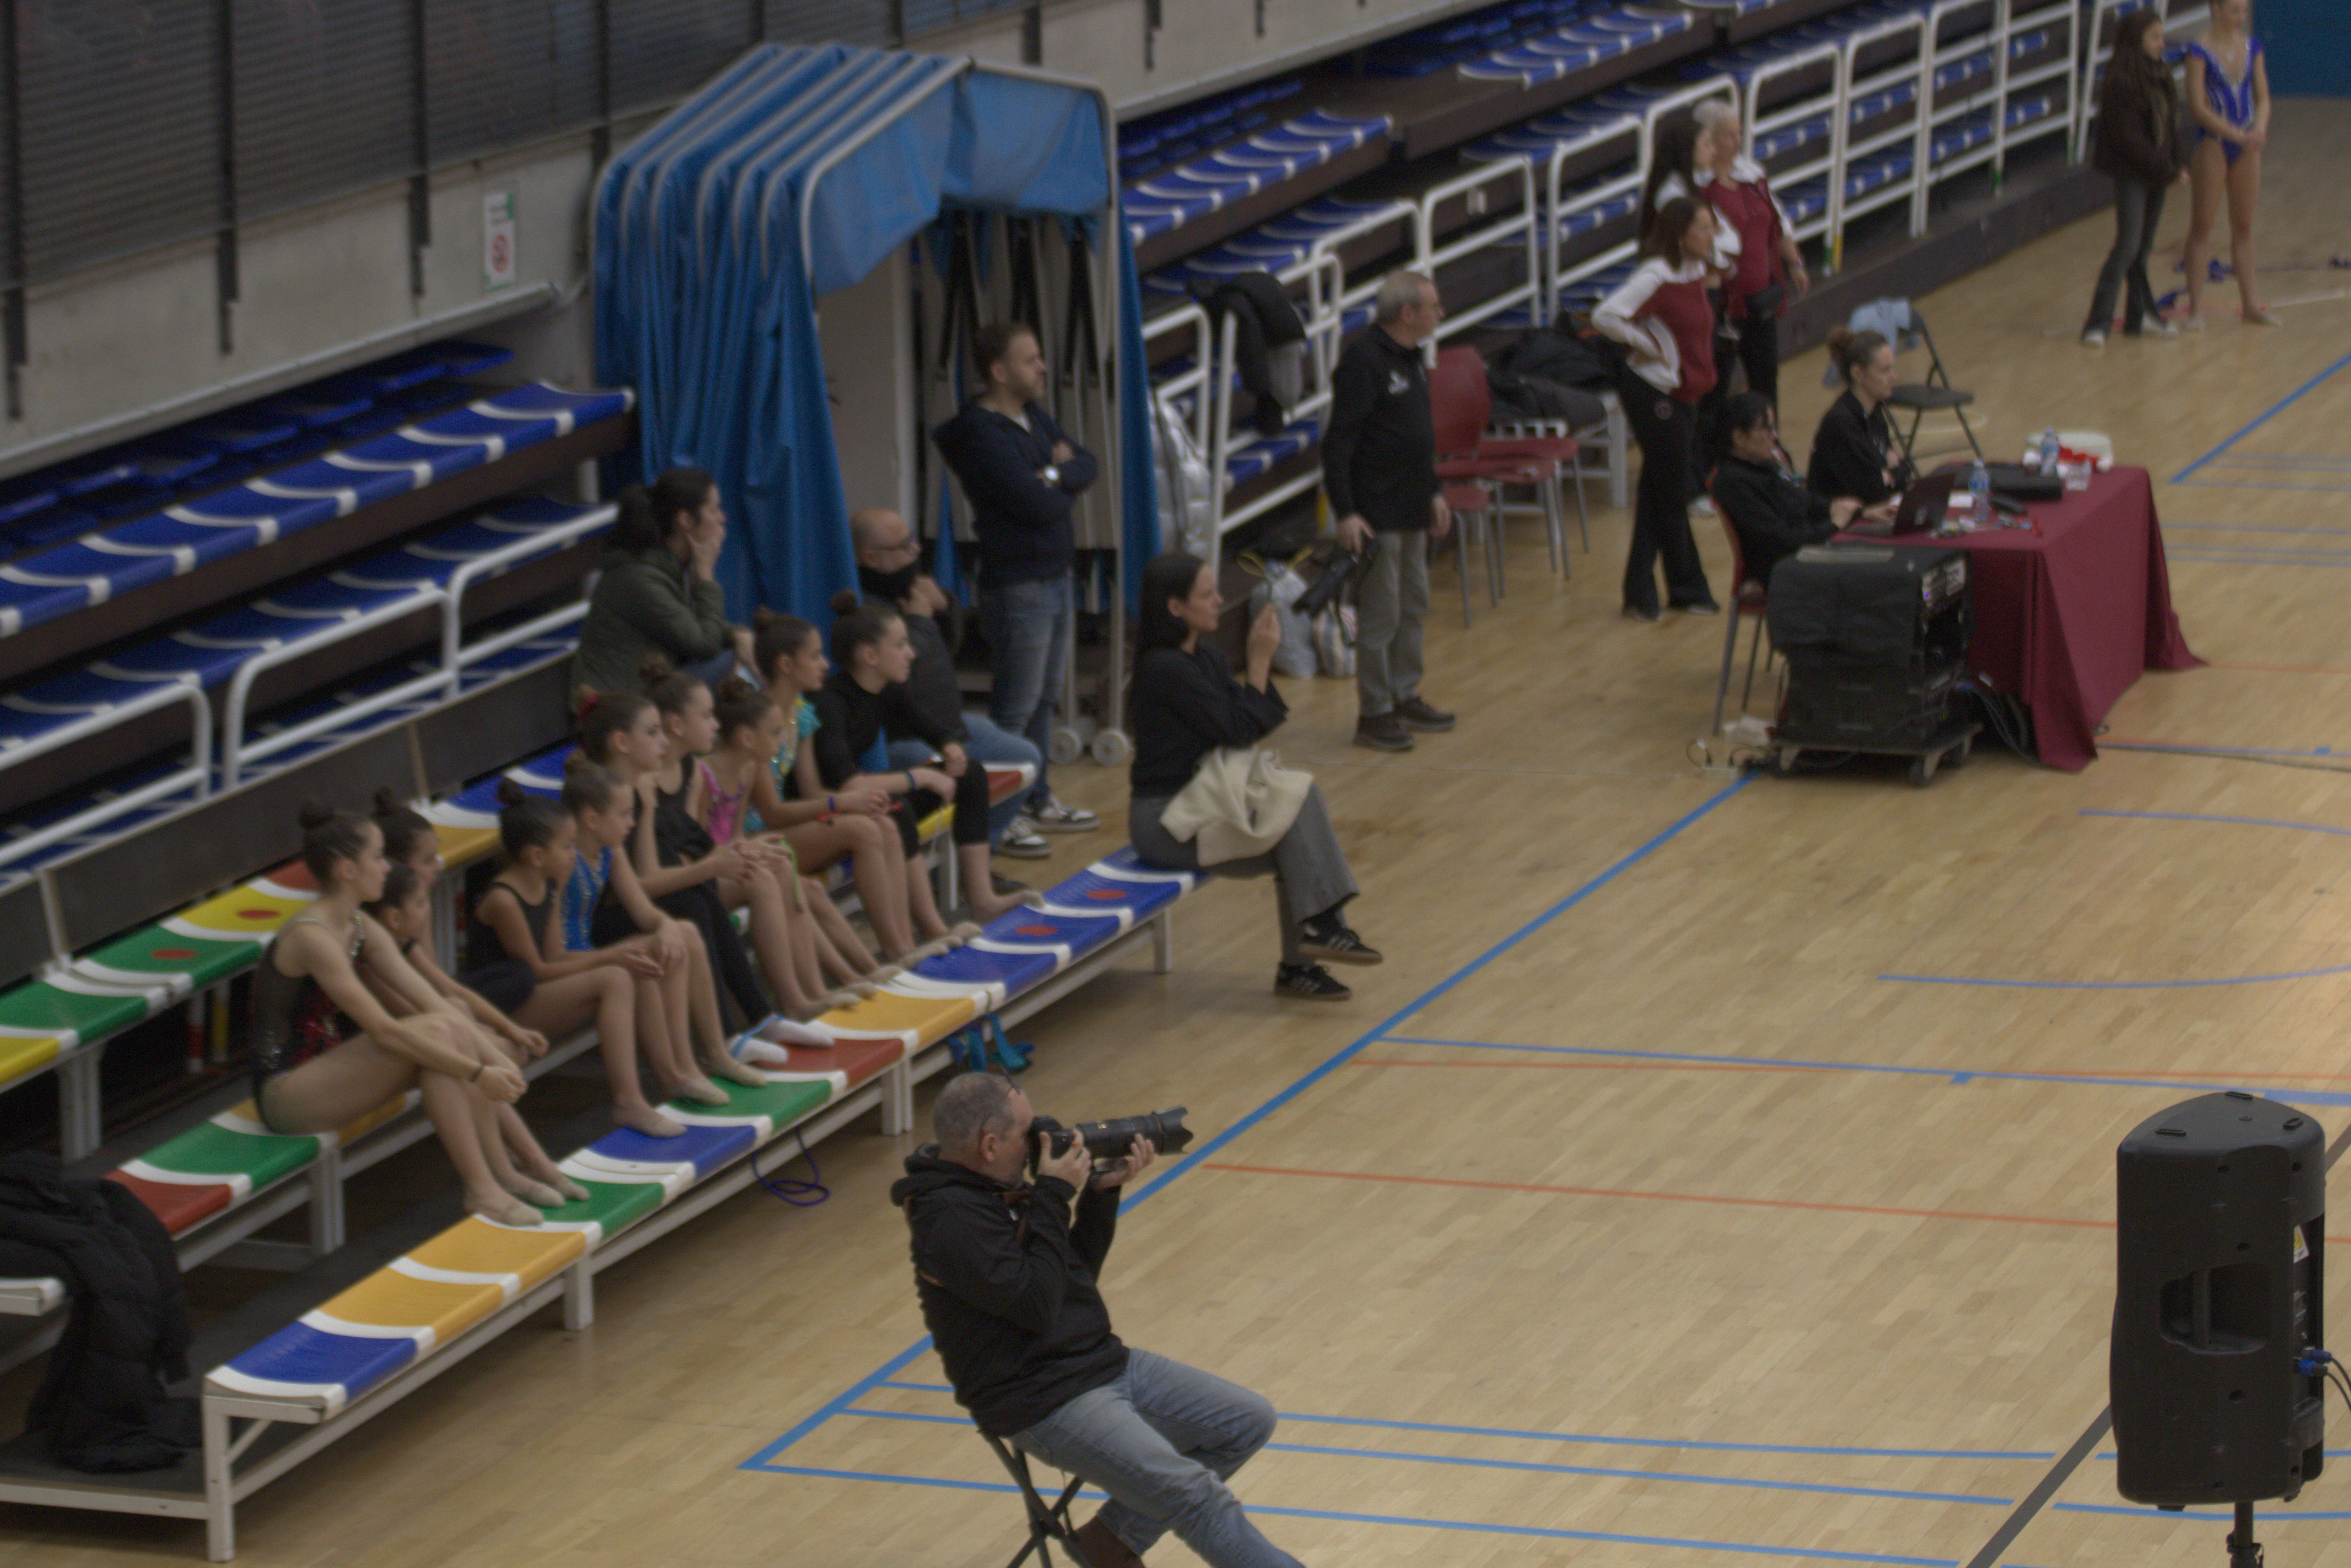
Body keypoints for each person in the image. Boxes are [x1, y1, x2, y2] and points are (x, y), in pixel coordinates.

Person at [891, 1070, 1303, 1568]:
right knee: (1193, 1495)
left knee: (1246, 1421)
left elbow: (1071, 1278)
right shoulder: (950, 1219)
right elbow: (1036, 1306)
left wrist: (1100, 1194)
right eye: (1027, 1133)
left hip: (1101, 1364)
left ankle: (1110, 1542)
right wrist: (1050, 1195)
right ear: (989, 1144)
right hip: (1040, 1397)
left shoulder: (1002, 1187)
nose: (1043, 1139)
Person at [252, 804, 543, 1227]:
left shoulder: (359, 926)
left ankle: (499, 1179)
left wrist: (493, 1059)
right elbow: (385, 1031)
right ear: (348, 870)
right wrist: (480, 1071)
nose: (387, 868)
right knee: (438, 1040)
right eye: (377, 857)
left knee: (443, 1036)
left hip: (327, 1072)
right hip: (287, 1094)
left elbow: (436, 1002)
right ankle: (487, 1187)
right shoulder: (312, 936)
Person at [1128, 551, 1378, 1002]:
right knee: (1296, 810)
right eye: (1207, 595)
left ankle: (1311, 947)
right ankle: (1313, 943)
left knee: (1300, 802)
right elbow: (1239, 731)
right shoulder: (1165, 669)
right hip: (1167, 822)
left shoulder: (1205, 660)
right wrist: (1259, 660)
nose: (1220, 601)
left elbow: (1251, 720)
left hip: (1203, 804)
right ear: (1175, 607)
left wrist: (1255, 664)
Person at [929, 324, 1103, 840]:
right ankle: (1000, 815)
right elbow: (1032, 502)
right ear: (1000, 372)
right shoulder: (981, 433)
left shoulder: (1031, 416)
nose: (1043, 368)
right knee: (1016, 705)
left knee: (1047, 699)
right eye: (1031, 361)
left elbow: (1086, 464)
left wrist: (1053, 478)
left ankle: (1038, 798)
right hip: (1019, 585)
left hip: (1055, 576)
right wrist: (1056, 477)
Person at [470, 777, 710, 1132]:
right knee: (616, 974)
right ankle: (628, 1101)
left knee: (634, 967)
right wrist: (610, 958)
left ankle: (672, 1076)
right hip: (500, 1009)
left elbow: (556, 956)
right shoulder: (504, 900)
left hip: (535, 990)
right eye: (567, 847)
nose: (573, 855)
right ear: (537, 856)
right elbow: (537, 970)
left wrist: (619, 956)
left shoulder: (549, 881)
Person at [361, 861, 590, 1201]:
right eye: (422, 904)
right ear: (394, 918)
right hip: (393, 1051)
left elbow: (451, 991)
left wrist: (510, 1029)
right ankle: (514, 1169)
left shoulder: (405, 946)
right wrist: (487, 1046)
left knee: (464, 1010)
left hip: (433, 1037)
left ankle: (533, 1164)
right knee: (469, 1054)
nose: (428, 912)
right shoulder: (370, 963)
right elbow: (411, 1018)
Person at [809, 600, 1037, 929]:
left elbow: (931, 727)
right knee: (897, 808)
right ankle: (932, 925)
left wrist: (951, 747)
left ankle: (983, 900)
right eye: (900, 646)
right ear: (870, 656)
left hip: (859, 800)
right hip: (828, 810)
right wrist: (921, 777)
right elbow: (846, 784)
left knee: (971, 773)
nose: (912, 654)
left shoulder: (886, 689)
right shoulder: (831, 704)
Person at [751, 610, 957, 964]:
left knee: (884, 822)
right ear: (786, 665)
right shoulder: (756, 721)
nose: (825, 664)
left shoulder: (800, 714)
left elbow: (813, 788)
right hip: (756, 833)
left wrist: (852, 800)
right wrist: (839, 806)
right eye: (815, 656)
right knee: (864, 830)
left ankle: (904, 944)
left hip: (787, 824)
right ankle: (895, 949)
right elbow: (771, 812)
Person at [848, 506, 1048, 860]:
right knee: (959, 778)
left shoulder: (906, 592)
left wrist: (945, 607)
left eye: (913, 541)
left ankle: (978, 856)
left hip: (944, 723)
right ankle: (939, 872)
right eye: (904, 546)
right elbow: (906, 676)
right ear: (870, 558)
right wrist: (921, 622)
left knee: (1026, 758)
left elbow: (946, 651)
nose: (916, 551)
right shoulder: (864, 613)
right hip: (899, 739)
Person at [1322, 270, 1456, 754]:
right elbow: (1338, 442)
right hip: (1377, 512)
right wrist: (1346, 512)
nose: (1440, 314)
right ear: (1407, 313)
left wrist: (1434, 490)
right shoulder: (1364, 360)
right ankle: (1374, 712)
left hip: (1413, 507)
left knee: (1414, 605)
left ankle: (1404, 694)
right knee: (1382, 613)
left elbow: (1417, 437)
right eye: (1433, 306)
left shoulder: (1412, 358)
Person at [1593, 198, 1722, 622]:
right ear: (1681, 236)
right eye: (1703, 228)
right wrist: (1647, 346)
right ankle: (1680, 588)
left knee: (1657, 491)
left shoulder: (1694, 271)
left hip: (1682, 393)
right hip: (1652, 392)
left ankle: (1643, 593)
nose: (1711, 235)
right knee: (1670, 493)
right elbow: (1605, 315)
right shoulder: (1656, 275)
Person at [572, 469, 754, 698]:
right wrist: (706, 573)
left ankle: (786, 727)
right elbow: (705, 645)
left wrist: (738, 634)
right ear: (686, 520)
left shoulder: (673, 564)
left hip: (647, 688)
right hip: (619, 708)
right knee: (736, 663)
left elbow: (690, 623)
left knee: (748, 653)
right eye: (714, 510)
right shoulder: (639, 579)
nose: (722, 518)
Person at [1694, 97, 1809, 411]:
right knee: (1717, 388)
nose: (1738, 141)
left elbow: (1779, 222)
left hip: (1762, 301)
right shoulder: (1698, 189)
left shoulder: (1753, 175)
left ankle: (1769, 448)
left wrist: (1794, 263)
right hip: (1723, 308)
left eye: (1739, 133)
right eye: (1729, 135)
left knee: (1766, 380)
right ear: (1710, 141)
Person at [2084, 9, 2190, 345]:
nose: (2162, 43)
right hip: (2133, 174)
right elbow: (2131, 141)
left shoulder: (2162, 75)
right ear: (2136, 42)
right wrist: (2167, 170)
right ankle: (2097, 323)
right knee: (2127, 245)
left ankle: (2137, 317)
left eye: (2162, 36)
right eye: (2155, 38)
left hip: (2156, 172)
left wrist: (2178, 163)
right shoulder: (2121, 81)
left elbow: (2171, 125)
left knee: (2143, 248)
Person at [1710, 393, 1881, 589]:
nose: (1775, 437)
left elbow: (1803, 500)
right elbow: (1783, 542)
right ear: (1740, 438)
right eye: (1766, 430)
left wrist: (1858, 514)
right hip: (1788, 572)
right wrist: (1834, 525)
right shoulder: (1733, 483)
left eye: (1774, 428)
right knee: (1878, 575)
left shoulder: (1762, 463)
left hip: (1806, 550)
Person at [2179, 0, 2276, 329]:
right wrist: (2233, 134)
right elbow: (2197, 107)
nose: (2241, 17)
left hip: (2247, 145)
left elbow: (2262, 97)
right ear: (2216, 9)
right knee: (2202, 227)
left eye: (2244, 11)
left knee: (2244, 228)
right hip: (2214, 144)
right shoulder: (2198, 52)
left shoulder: (2253, 48)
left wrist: (2259, 129)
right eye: (2234, 10)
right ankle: (2194, 309)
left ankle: (2250, 304)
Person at [1807, 327, 1915, 508]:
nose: (1893, 377)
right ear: (1858, 374)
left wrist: (1890, 475)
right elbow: (1871, 492)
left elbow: (1904, 470)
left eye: (1892, 368)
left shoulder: (1875, 409)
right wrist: (1890, 473)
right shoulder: (1841, 423)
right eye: (1884, 370)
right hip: (1840, 525)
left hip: (1873, 510)